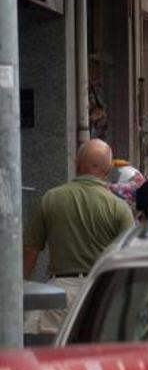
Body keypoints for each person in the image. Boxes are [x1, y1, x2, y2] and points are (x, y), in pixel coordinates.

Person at [23, 139, 135, 342]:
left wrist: (20, 289)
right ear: (108, 169)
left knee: (55, 357)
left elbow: (31, 249)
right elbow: (129, 257)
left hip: (59, 294)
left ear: (77, 164)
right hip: (100, 292)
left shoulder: (51, 198)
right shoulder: (119, 207)